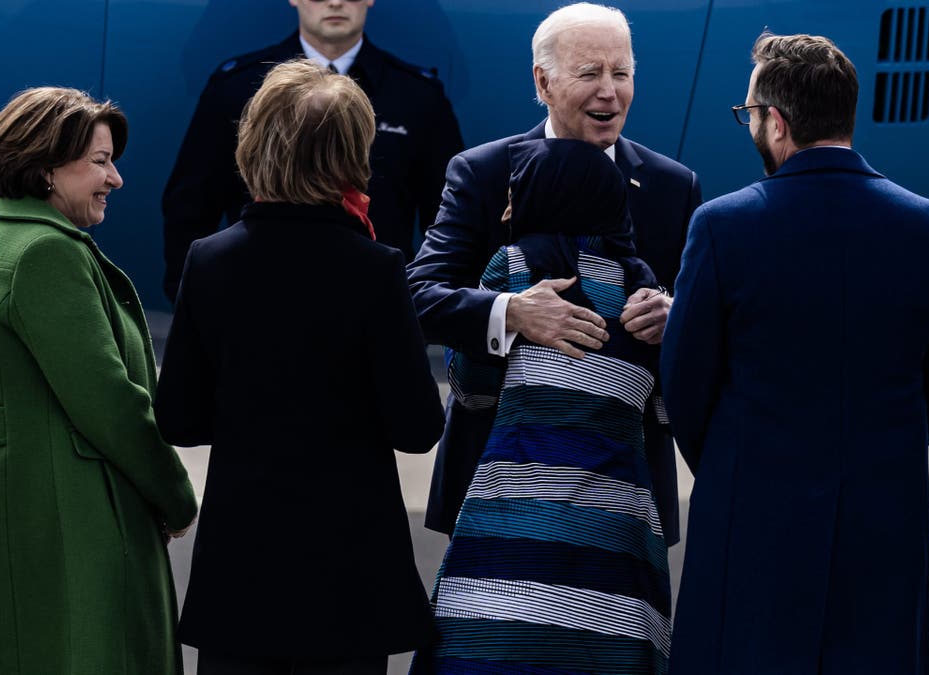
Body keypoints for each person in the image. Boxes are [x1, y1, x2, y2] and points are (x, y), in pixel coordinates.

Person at [661, 33, 929, 674]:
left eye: (749, 114)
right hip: (884, 513)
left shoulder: (722, 225)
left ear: (776, 122)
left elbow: (685, 382)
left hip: (752, 514)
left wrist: (735, 463)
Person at [154, 59, 444, 675]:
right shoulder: (376, 268)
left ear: (253, 144)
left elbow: (178, 418)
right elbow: (418, 428)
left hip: (242, 567)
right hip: (349, 577)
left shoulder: (209, 260)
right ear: (353, 154)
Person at [408, 1, 701, 549]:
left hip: (625, 492)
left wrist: (675, 315)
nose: (609, 92)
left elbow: (705, 315)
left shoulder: (673, 185)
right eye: (590, 73)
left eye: (621, 73)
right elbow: (417, 297)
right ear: (542, 82)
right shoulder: (484, 173)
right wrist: (511, 312)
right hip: (497, 490)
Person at [412, 137, 671, 674]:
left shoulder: (513, 266)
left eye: (515, 196)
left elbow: (473, 390)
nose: (506, 211)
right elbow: (665, 408)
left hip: (512, 523)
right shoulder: (644, 293)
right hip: (616, 533)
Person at [0, 87, 198, 674]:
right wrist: (175, 496)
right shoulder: (46, 254)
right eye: (100, 161)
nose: (115, 178)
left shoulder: (2, 242)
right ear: (46, 168)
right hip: (80, 525)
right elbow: (110, 403)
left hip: (41, 518)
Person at [161, 0, 463, 302]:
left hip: (376, 299)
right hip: (256, 299)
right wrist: (194, 302)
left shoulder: (417, 97)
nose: (335, 2)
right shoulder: (239, 89)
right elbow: (189, 207)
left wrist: (427, 306)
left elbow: (448, 219)